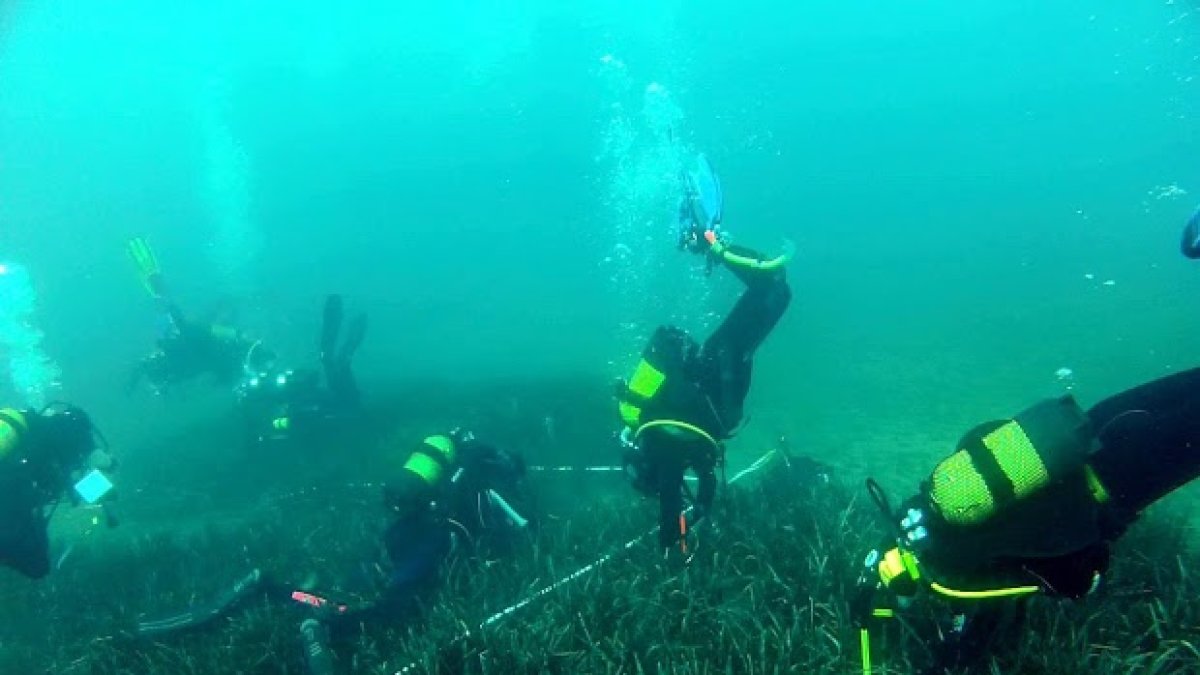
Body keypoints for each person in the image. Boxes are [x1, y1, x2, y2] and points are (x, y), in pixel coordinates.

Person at [852, 371, 1200, 673]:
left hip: (1123, 476)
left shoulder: (951, 581)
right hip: (1081, 426)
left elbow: (1072, 582)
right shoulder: (916, 513)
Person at [615, 154, 793, 555]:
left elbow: (684, 502)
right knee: (774, 290)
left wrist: (677, 540)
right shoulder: (654, 439)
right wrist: (690, 519)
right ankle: (710, 244)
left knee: (775, 290)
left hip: (718, 380)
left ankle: (711, 244)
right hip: (711, 377)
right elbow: (699, 493)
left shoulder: (667, 458)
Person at [126, 237, 274, 395]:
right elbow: (198, 331)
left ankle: (156, 283)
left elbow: (197, 332)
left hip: (197, 342)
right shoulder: (179, 359)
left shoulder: (179, 361)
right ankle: (155, 282)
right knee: (168, 310)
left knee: (168, 312)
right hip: (196, 341)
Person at [0, 403, 116, 579]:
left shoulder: (37, 434)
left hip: (12, 486)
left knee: (28, 556)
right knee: (36, 565)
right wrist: (110, 463)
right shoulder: (76, 434)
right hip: (14, 488)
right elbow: (99, 463)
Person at [236, 294, 365, 448]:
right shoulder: (277, 415)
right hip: (343, 405)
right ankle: (350, 325)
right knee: (335, 361)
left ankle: (345, 323)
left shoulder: (276, 409)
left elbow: (296, 413)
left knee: (331, 360)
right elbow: (294, 422)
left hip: (340, 405)